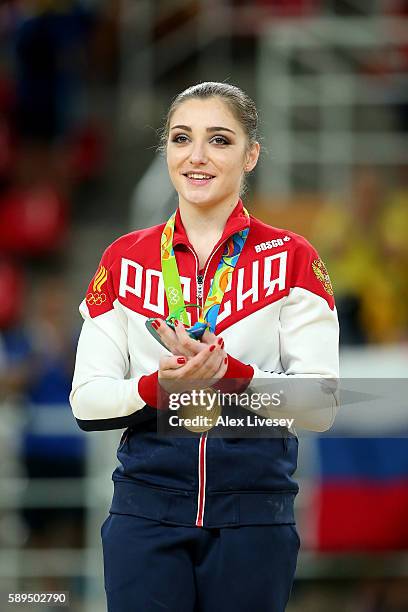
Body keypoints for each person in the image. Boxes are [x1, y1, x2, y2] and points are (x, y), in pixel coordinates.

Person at [70, 82, 339, 612]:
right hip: (144, 517)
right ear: (166, 151)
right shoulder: (124, 260)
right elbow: (87, 398)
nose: (196, 156)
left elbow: (321, 404)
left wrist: (231, 376)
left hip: (254, 517)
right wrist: (157, 387)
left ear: (251, 154)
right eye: (180, 138)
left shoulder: (293, 258)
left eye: (219, 140)